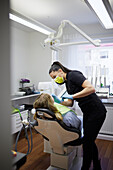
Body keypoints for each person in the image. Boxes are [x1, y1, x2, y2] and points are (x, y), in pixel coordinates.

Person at [49, 61, 106, 170]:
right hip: (88, 112)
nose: (55, 80)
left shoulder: (73, 75)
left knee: (87, 142)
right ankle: (97, 165)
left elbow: (90, 88)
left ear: (60, 71)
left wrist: (73, 96)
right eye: (53, 78)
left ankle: (85, 168)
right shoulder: (67, 84)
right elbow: (70, 103)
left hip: (96, 111)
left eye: (55, 76)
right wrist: (59, 101)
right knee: (89, 140)